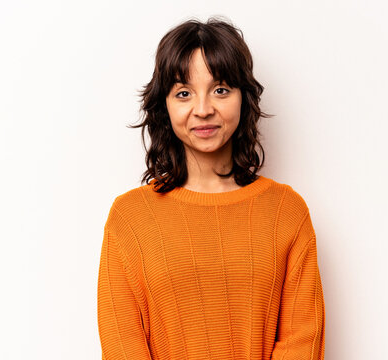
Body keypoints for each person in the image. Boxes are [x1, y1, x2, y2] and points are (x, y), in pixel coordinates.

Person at [97, 16, 325, 360]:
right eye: (184, 93)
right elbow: (122, 346)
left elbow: (302, 341)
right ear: (165, 106)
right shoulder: (130, 219)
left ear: (243, 98)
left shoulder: (285, 212)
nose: (203, 110)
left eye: (220, 90)